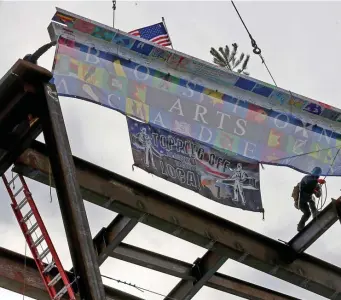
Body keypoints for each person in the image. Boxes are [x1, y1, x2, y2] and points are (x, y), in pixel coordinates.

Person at [297, 167, 326, 231]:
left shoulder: (316, 184)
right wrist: (317, 181)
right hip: (301, 199)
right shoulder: (307, 177)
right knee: (308, 211)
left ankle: (314, 213)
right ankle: (300, 226)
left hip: (308, 198)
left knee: (310, 206)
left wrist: (318, 190)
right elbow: (309, 182)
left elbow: (318, 195)